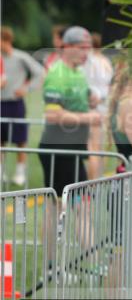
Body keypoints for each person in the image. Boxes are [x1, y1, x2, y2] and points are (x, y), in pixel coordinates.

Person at [39, 26, 100, 194]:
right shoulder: (57, 73)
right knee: (61, 204)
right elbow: (52, 115)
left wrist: (91, 98)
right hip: (58, 149)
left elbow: (81, 97)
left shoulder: (78, 72)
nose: (86, 53)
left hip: (73, 148)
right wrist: (88, 118)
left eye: (88, 48)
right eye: (82, 48)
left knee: (80, 203)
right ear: (67, 46)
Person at [1, 26, 46, 186]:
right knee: (1, 140)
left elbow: (40, 72)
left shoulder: (20, 57)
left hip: (15, 103)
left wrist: (27, 88)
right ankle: (2, 172)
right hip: (0, 102)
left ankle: (20, 172)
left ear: (5, 40)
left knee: (20, 139)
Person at [82, 32, 114, 178]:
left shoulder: (90, 61)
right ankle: (97, 181)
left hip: (94, 106)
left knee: (93, 149)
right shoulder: (106, 62)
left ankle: (92, 184)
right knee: (101, 149)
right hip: (105, 106)